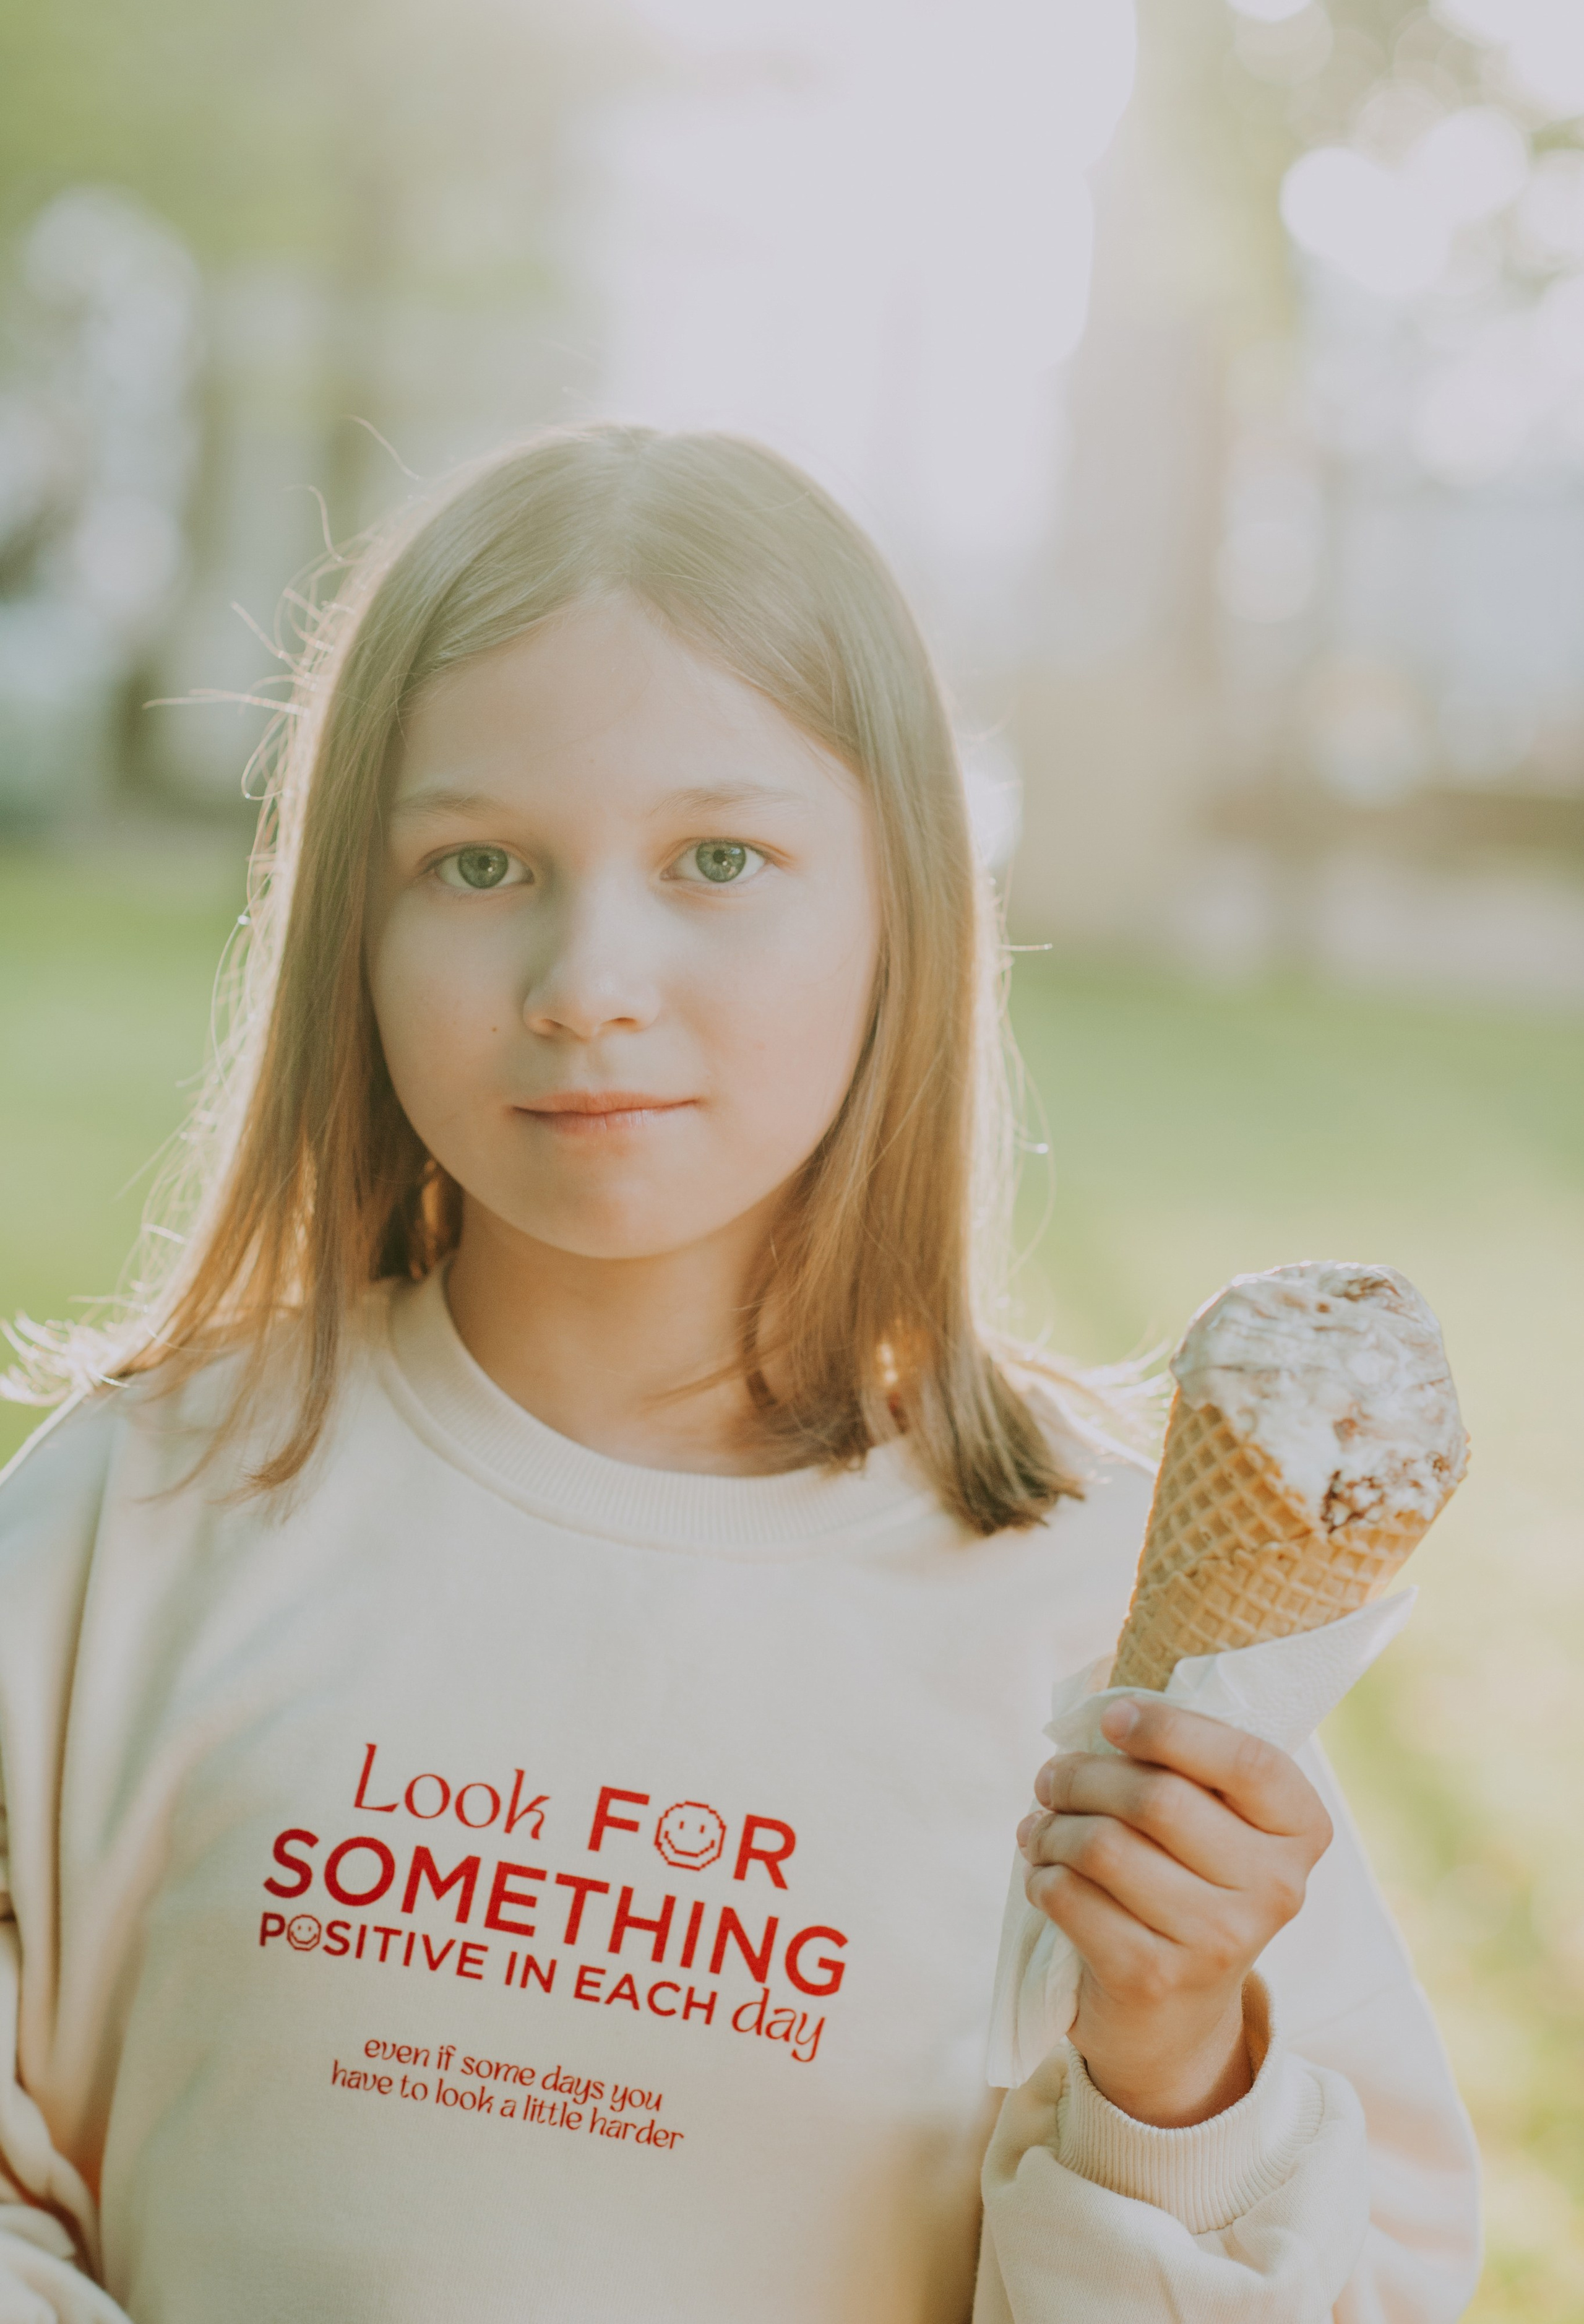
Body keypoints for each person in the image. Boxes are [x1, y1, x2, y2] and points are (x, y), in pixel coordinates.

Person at [0, 426, 1478, 2322]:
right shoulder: (138, 1515)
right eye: (477, 861)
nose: (586, 974)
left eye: (718, 857)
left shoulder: (1108, 1640)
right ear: (346, 927)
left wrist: (1173, 2062)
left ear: (905, 912)